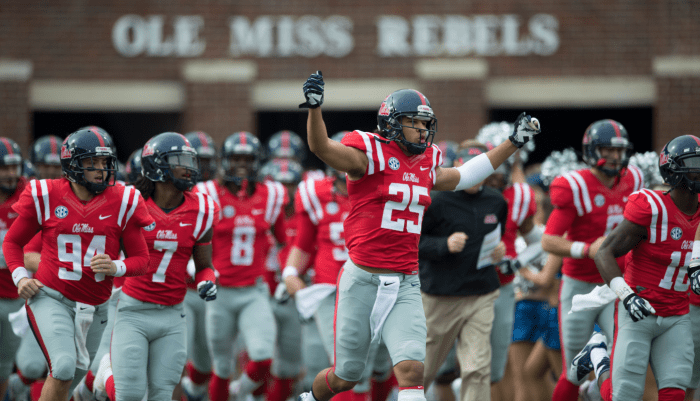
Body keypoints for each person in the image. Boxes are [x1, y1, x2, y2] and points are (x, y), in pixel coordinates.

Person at [295, 70, 541, 401]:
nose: (424, 130)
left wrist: (513, 142)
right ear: (393, 122)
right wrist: (314, 109)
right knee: (346, 375)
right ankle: (309, 397)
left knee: (412, 370)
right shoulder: (369, 154)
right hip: (362, 278)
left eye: (427, 124)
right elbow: (321, 147)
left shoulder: (426, 163)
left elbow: (467, 175)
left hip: (405, 282)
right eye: (417, 122)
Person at [2, 127, 153, 401]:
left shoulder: (123, 200)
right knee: (62, 367)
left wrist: (116, 266)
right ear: (72, 165)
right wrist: (21, 277)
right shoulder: (46, 195)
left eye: (105, 162)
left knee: (72, 380)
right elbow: (13, 244)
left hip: (96, 308)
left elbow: (142, 261)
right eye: (91, 163)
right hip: (51, 297)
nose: (101, 169)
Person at [92, 132, 218, 401]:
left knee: (161, 394)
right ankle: (105, 376)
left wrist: (207, 280)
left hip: (173, 314)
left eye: (190, 160)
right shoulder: (129, 203)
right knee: (130, 394)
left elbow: (205, 265)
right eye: (180, 161)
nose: (189, 168)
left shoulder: (203, 209)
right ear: (157, 166)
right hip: (132, 310)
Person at [574, 135, 700, 401]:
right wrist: (626, 295)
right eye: (693, 165)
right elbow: (604, 252)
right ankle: (598, 354)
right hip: (639, 309)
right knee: (623, 395)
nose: (698, 171)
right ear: (673, 169)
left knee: (675, 393)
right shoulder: (652, 208)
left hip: (677, 313)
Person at [542, 120, 644, 401]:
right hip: (579, 286)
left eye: (618, 150)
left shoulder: (634, 179)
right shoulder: (575, 186)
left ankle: (593, 393)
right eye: (606, 149)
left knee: (621, 363)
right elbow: (549, 240)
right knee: (572, 370)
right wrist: (588, 249)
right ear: (591, 150)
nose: (614, 156)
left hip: (616, 284)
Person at [418, 143, 508, 401]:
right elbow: (411, 242)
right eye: (468, 166)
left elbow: (496, 236)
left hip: (481, 293)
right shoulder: (435, 199)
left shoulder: (496, 200)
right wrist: (442, 244)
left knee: (477, 368)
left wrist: (500, 249)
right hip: (440, 296)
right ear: (456, 166)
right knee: (421, 369)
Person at [206, 131, 287, 401]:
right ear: (225, 161)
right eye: (236, 158)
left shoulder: (272, 195)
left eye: (248, 159)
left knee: (264, 357)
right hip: (220, 293)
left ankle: (239, 392)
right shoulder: (208, 195)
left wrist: (287, 273)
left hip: (254, 290)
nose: (242, 164)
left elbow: (284, 241)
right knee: (221, 366)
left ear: (258, 162)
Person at [0, 138, 28, 399]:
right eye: (4, 168)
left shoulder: (29, 196)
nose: (10, 174)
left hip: (16, 295)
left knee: (5, 366)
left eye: (14, 167)